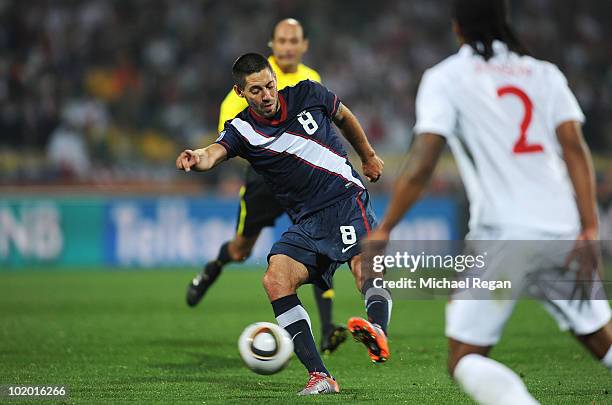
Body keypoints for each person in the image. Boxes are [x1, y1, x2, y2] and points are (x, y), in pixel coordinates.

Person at [369, 0, 612, 404]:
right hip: (563, 230)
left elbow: (423, 162)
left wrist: (385, 227)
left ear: (457, 27)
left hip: (504, 235)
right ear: (505, 22)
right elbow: (574, 149)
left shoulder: (446, 77)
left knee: (464, 358)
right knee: (601, 340)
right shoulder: (545, 74)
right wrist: (589, 227)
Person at [177, 53, 390, 395]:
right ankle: (320, 376)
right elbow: (214, 152)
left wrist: (367, 155)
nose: (266, 95)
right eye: (256, 90)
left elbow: (345, 116)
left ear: (276, 79)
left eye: (269, 85)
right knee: (276, 278)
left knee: (363, 268)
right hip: (307, 221)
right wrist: (196, 158)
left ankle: (378, 330)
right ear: (241, 92)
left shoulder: (308, 93)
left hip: (344, 199)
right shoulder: (242, 129)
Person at [185, 18, 347, 354]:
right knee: (241, 250)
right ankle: (213, 268)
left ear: (304, 46)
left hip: (306, 181)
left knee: (321, 242)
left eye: (294, 41)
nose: (288, 47)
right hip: (264, 179)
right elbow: (231, 142)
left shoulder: (311, 80)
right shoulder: (251, 81)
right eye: (282, 41)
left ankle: (329, 326)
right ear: (272, 45)